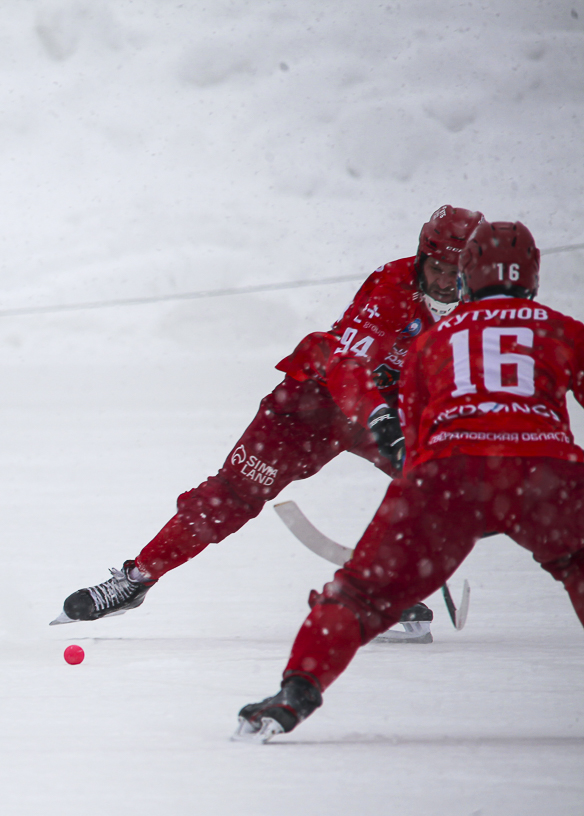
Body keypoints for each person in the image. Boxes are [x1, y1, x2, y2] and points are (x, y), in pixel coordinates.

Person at [56, 205, 485, 642]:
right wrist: (383, 421)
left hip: (389, 406)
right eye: (438, 267)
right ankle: (136, 580)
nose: (446, 280)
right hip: (313, 405)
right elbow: (348, 367)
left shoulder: (481, 302)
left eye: (457, 270)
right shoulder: (395, 288)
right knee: (231, 495)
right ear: (421, 256)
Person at [236, 219, 584, 741]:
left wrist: (435, 514)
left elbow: (418, 438)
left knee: (360, 595)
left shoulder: (434, 341)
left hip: (450, 473)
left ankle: (297, 691)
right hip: (548, 472)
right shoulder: (563, 330)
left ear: (468, 275)